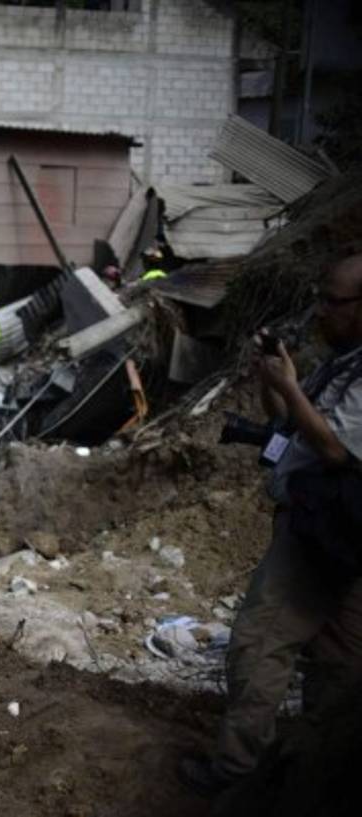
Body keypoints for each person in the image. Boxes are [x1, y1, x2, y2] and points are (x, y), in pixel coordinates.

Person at [178, 253, 362, 799]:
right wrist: (279, 381)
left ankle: (237, 778)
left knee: (261, 645)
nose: (321, 311)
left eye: (333, 300)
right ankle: (314, 777)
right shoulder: (347, 360)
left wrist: (292, 386)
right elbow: (292, 428)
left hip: (330, 532)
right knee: (341, 665)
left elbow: (332, 448)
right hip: (333, 529)